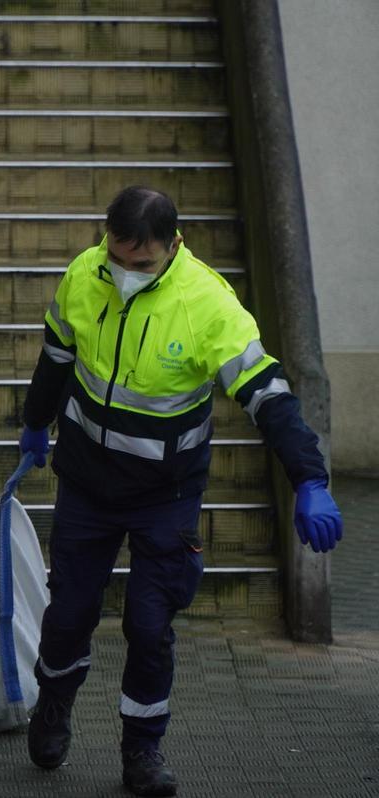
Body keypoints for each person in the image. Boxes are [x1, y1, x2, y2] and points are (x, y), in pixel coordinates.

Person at [18, 186, 343, 797]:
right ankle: (54, 706)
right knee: (69, 614)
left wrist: (309, 478)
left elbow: (269, 395)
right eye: (117, 257)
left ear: (173, 245)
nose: (126, 273)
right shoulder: (84, 274)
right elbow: (57, 356)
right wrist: (36, 421)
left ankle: (142, 749)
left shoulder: (207, 303)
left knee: (149, 626)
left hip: (165, 495)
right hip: (87, 482)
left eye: (141, 264)